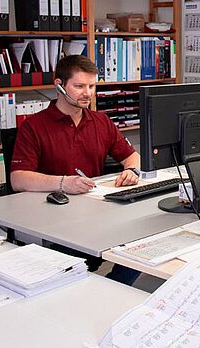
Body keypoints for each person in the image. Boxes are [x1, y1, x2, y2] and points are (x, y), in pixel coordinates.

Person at [11, 54, 142, 285]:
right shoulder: (33, 126)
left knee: (142, 240)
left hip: (95, 214)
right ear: (59, 86)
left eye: (92, 86)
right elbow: (18, 179)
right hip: (55, 220)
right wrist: (63, 183)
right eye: (79, 86)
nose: (88, 93)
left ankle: (113, 288)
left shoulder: (100, 121)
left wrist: (132, 171)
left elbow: (132, 156)